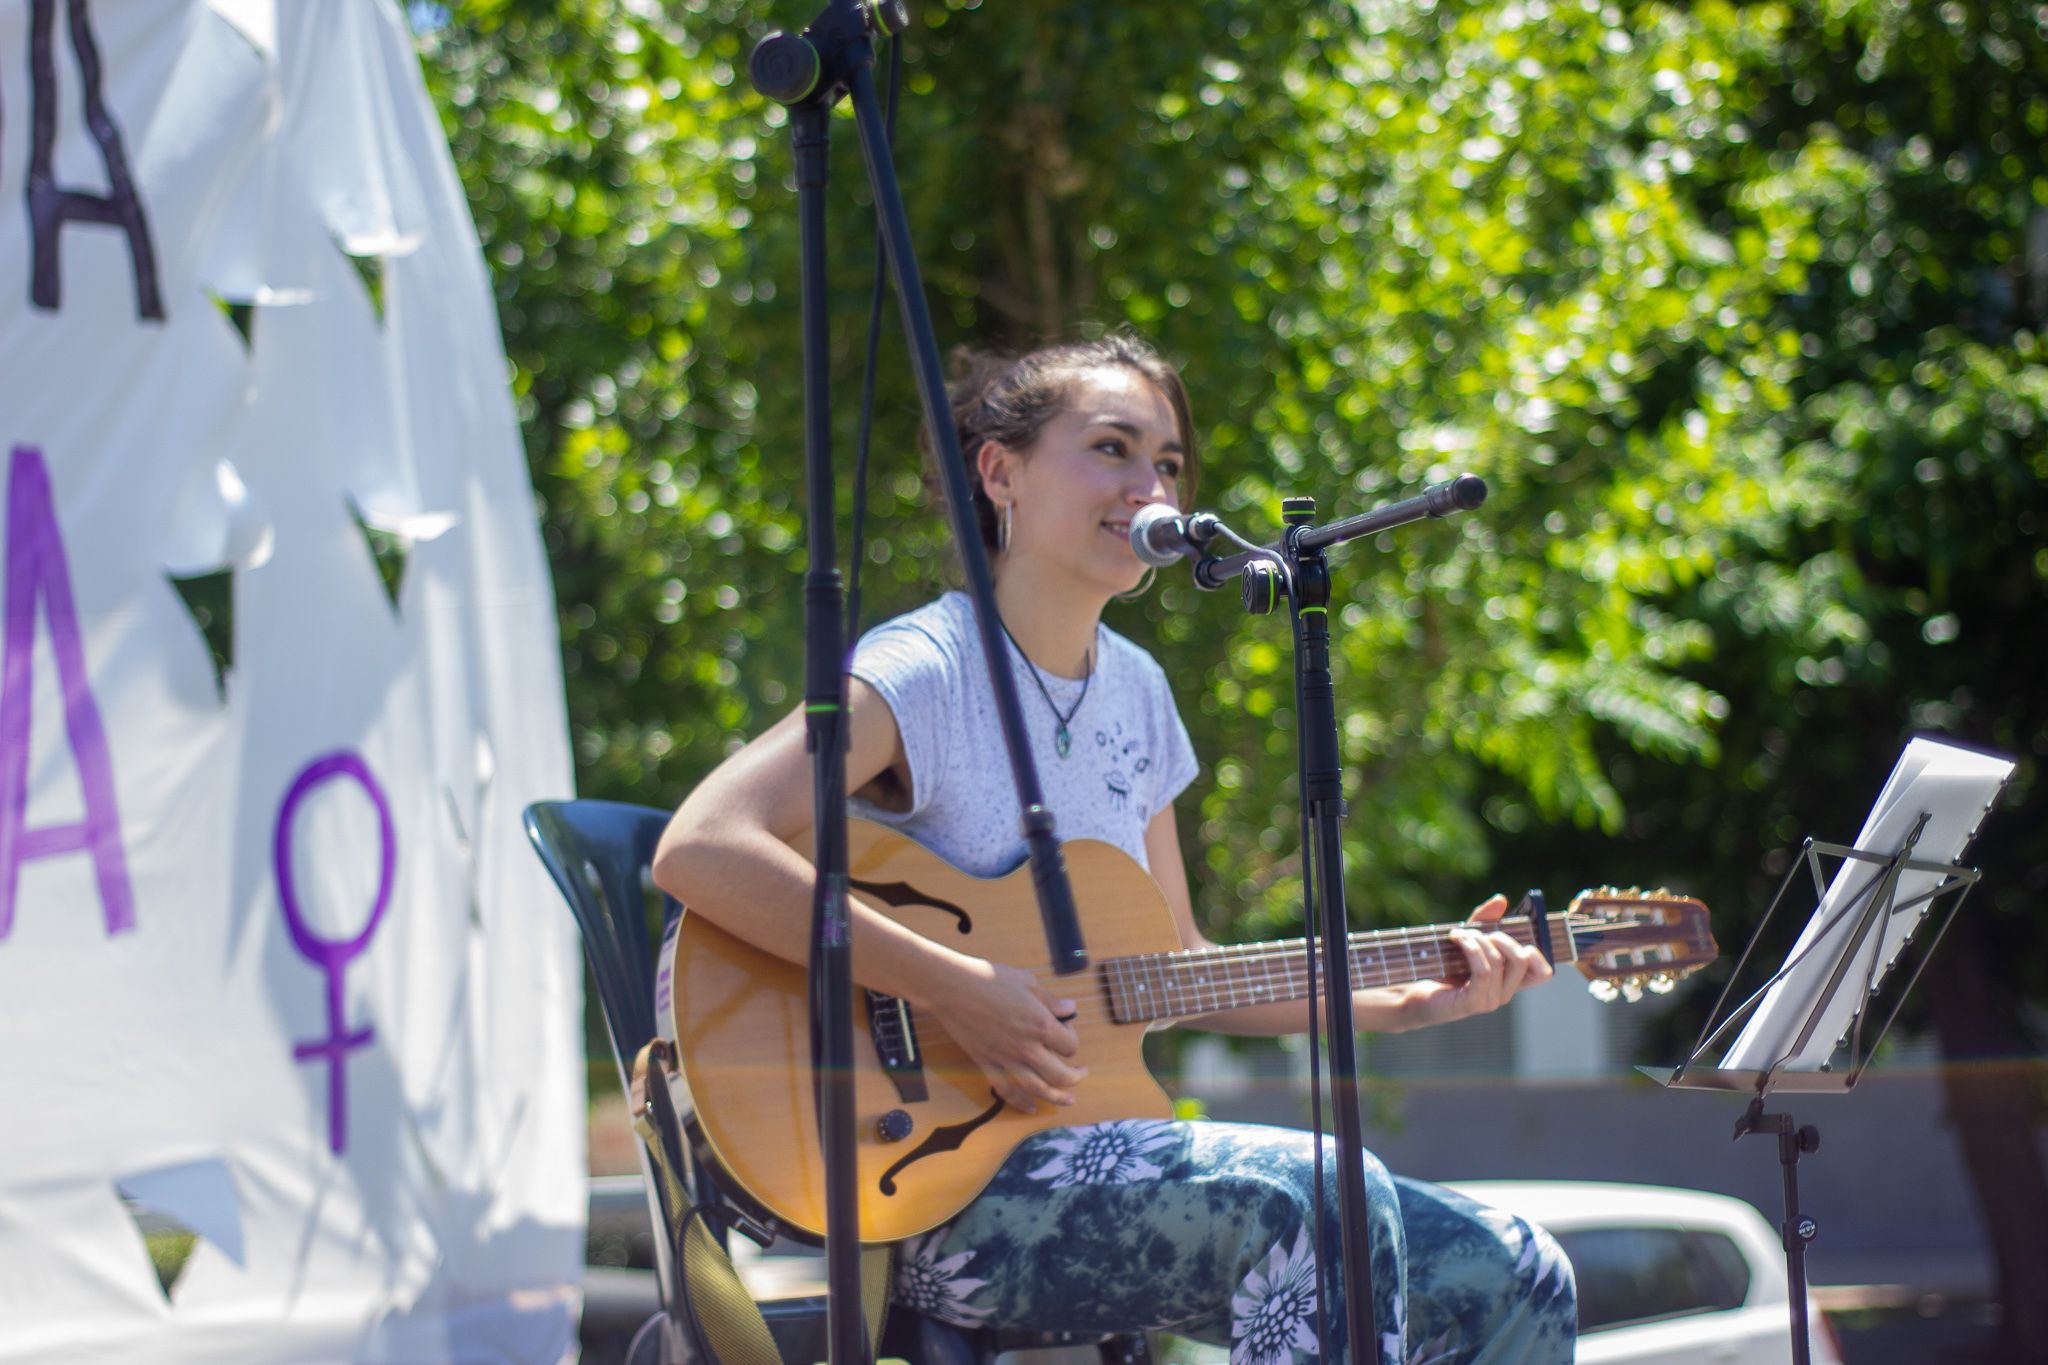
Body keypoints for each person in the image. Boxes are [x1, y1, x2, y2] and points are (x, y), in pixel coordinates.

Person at [653, 334, 1577, 1365]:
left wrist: (1404, 1002)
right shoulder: (926, 667)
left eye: (1168, 463)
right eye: (1111, 448)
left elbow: (1177, 967)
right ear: (998, 473)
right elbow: (703, 844)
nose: (1151, 488)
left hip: (1098, 1158)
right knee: (1324, 1191)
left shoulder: (1138, 691)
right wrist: (950, 984)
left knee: (1518, 1265)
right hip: (925, 1190)